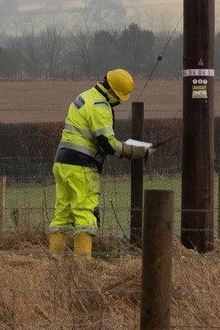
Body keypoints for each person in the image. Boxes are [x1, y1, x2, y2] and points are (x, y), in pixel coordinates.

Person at [48, 68, 147, 257]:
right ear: (111, 91)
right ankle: (83, 267)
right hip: (81, 167)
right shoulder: (100, 106)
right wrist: (131, 151)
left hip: (62, 163)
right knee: (85, 214)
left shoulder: (85, 96)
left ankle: (55, 264)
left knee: (62, 214)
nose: (119, 101)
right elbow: (108, 143)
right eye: (119, 97)